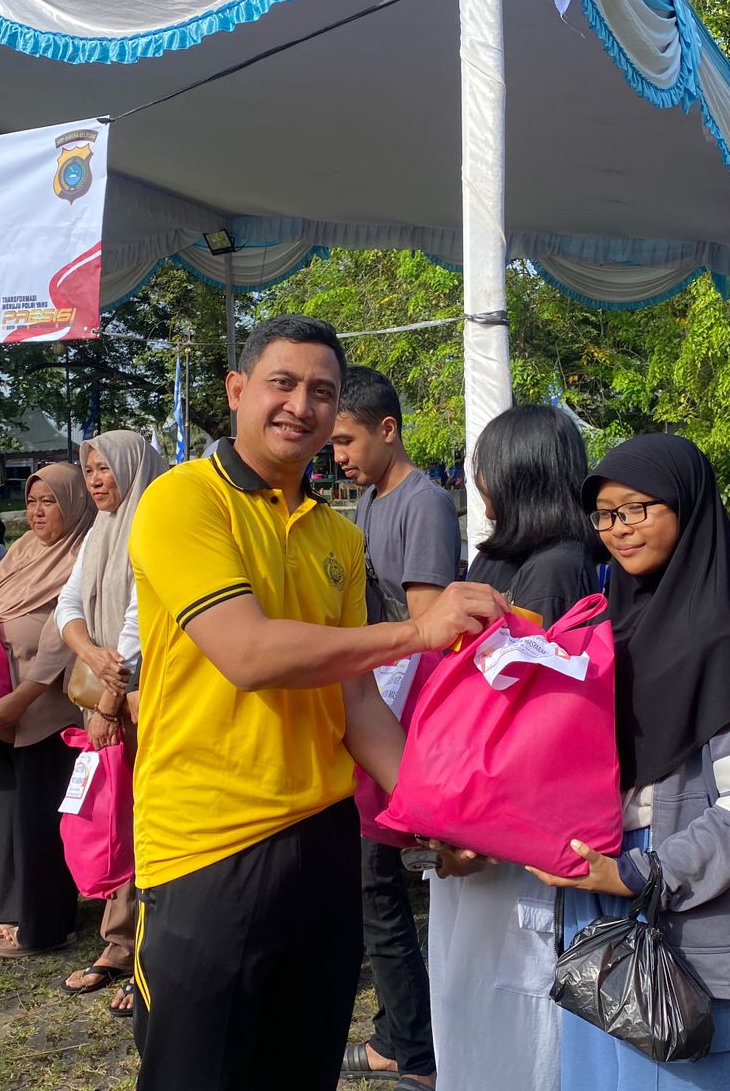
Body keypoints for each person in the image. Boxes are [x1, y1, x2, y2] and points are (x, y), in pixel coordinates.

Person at [126, 314, 506, 1091]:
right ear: (237, 390)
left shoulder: (338, 536)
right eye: (283, 383)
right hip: (208, 847)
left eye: (322, 392)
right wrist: (416, 632)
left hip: (324, 838)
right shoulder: (184, 501)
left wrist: (438, 815)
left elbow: (357, 703)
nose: (302, 405)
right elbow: (248, 654)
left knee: (301, 1070)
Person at [532, 434, 730, 1090]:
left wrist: (640, 872)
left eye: (637, 508)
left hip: (676, 897)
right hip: (598, 893)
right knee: (598, 1077)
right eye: (605, 514)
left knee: (673, 1069)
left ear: (687, 506)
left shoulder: (721, 637)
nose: (619, 528)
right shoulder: (611, 628)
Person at [425, 404, 600, 1091]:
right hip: (468, 794)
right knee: (463, 978)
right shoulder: (497, 557)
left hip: (510, 812)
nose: (478, 482)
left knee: (512, 991)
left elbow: (540, 711)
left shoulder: (560, 566)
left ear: (519, 474)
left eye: (485, 468)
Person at [330, 366, 461, 1090]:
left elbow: (423, 632)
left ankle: (411, 1043)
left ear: (388, 429)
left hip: (399, 709)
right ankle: (402, 1032)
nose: (338, 456)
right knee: (371, 883)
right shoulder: (371, 501)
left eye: (347, 440)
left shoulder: (424, 504)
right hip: (374, 697)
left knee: (378, 883)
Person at [56, 431, 166, 1016]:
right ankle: (119, 941)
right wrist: (91, 654)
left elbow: (140, 622)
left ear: (132, 469)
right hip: (106, 689)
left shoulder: (154, 526)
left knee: (147, 820)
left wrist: (107, 695)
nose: (96, 480)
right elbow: (67, 605)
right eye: (90, 469)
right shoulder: (100, 530)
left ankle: (150, 951)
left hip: (143, 701)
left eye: (106, 469)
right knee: (113, 817)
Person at [0, 465, 96, 957]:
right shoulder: (23, 550)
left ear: (74, 504)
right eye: (31, 502)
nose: (37, 512)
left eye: (50, 502)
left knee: (39, 821)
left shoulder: (83, 554)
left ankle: (46, 923)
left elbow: (60, 635)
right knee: (1, 814)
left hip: (44, 713)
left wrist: (23, 696)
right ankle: (8, 908)